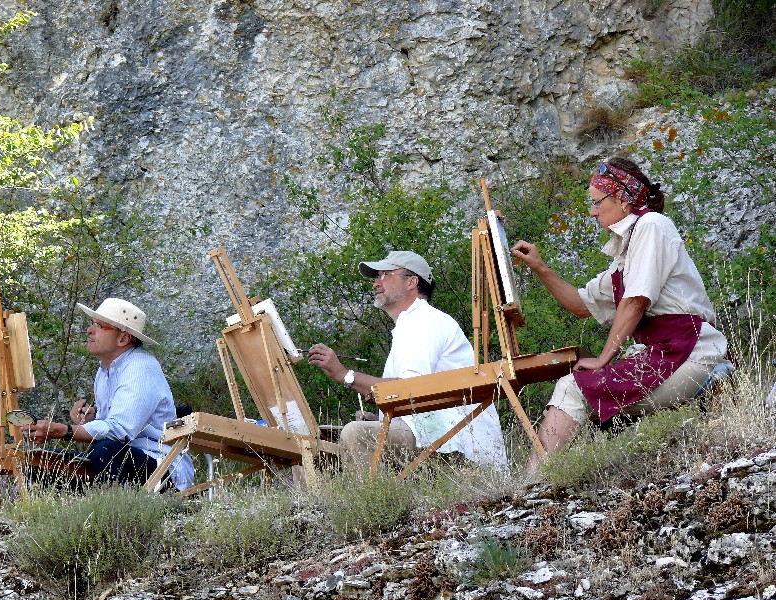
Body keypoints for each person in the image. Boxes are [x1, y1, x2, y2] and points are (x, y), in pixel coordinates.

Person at [511, 156, 728, 473]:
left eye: (597, 202)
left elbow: (635, 301)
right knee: (578, 387)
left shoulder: (652, 226)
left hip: (690, 353)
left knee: (574, 387)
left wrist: (603, 358)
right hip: (669, 353)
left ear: (623, 201)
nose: (593, 211)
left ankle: (531, 485)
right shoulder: (626, 254)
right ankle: (542, 481)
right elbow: (581, 304)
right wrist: (540, 268)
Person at [307, 250, 507, 470]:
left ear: (412, 282)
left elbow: (410, 390)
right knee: (311, 445)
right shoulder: (412, 324)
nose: (376, 284)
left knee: (356, 434)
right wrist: (380, 419)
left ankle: (379, 505)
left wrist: (344, 375)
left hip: (459, 448)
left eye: (385, 275)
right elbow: (416, 400)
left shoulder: (423, 321)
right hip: (439, 439)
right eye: (377, 277)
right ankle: (332, 504)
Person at [24, 298, 195, 490]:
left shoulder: (140, 366)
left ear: (123, 339)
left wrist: (63, 430)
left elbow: (120, 430)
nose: (90, 330)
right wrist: (94, 417)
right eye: (92, 324)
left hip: (163, 467)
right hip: (128, 459)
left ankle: (125, 518)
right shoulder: (104, 370)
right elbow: (117, 423)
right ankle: (85, 516)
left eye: (100, 326)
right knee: (41, 462)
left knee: (104, 451)